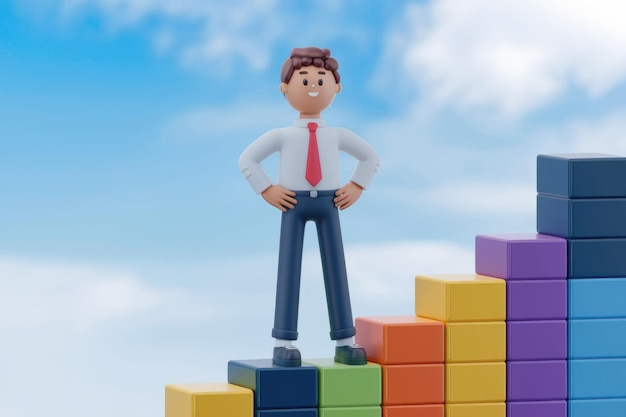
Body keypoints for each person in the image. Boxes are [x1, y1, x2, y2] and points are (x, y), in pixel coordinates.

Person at [238, 47, 380, 367]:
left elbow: (370, 157)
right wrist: (266, 189)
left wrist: (357, 185)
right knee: (289, 269)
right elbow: (247, 159)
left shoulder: (338, 135)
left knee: (336, 269)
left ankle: (345, 340)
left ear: (336, 88)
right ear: (285, 88)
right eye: (303, 78)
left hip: (331, 202)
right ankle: (283, 341)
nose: (313, 84)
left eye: (320, 78)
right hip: (293, 202)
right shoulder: (282, 135)